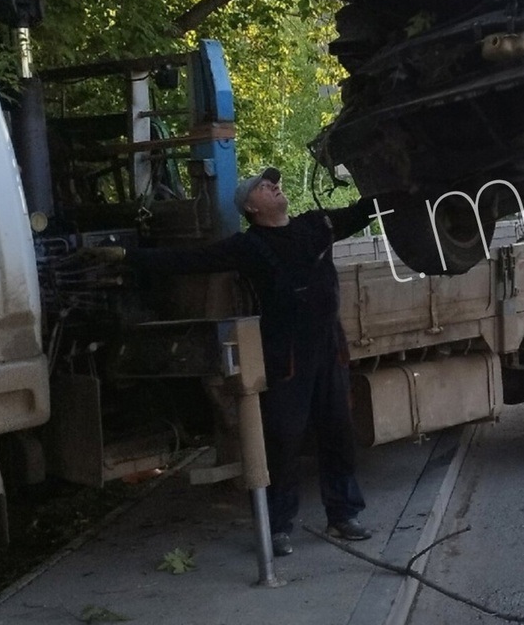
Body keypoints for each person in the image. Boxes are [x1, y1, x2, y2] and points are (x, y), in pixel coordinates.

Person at [117, 166, 376, 557]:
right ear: (251, 207)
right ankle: (277, 527)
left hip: (329, 347)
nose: (273, 185)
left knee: (339, 431)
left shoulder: (315, 224)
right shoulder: (249, 246)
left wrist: (400, 184)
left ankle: (343, 514)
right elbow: (186, 260)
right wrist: (125, 256)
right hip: (286, 354)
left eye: (273, 182)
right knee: (283, 440)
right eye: (263, 186)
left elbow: (364, 211)